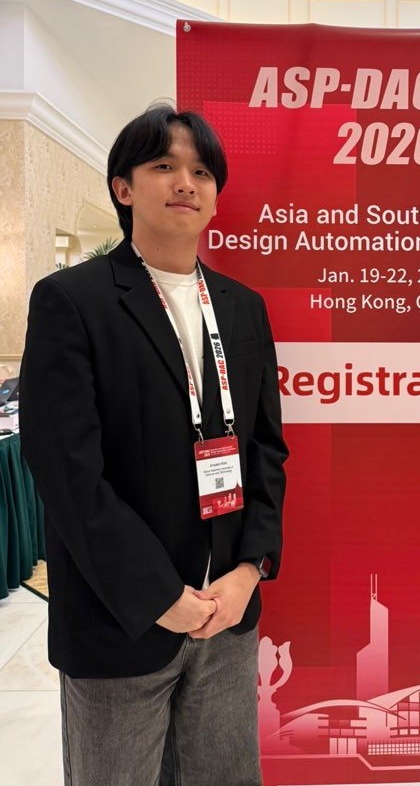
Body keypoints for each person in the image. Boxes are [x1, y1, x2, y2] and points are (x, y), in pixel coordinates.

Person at [19, 105, 287, 785]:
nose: (185, 182)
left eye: (201, 171)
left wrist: (249, 569)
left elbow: (265, 449)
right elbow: (66, 472)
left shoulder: (243, 307)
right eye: (163, 165)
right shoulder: (72, 301)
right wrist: (159, 594)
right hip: (120, 618)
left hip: (227, 613)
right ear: (123, 187)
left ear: (216, 196)